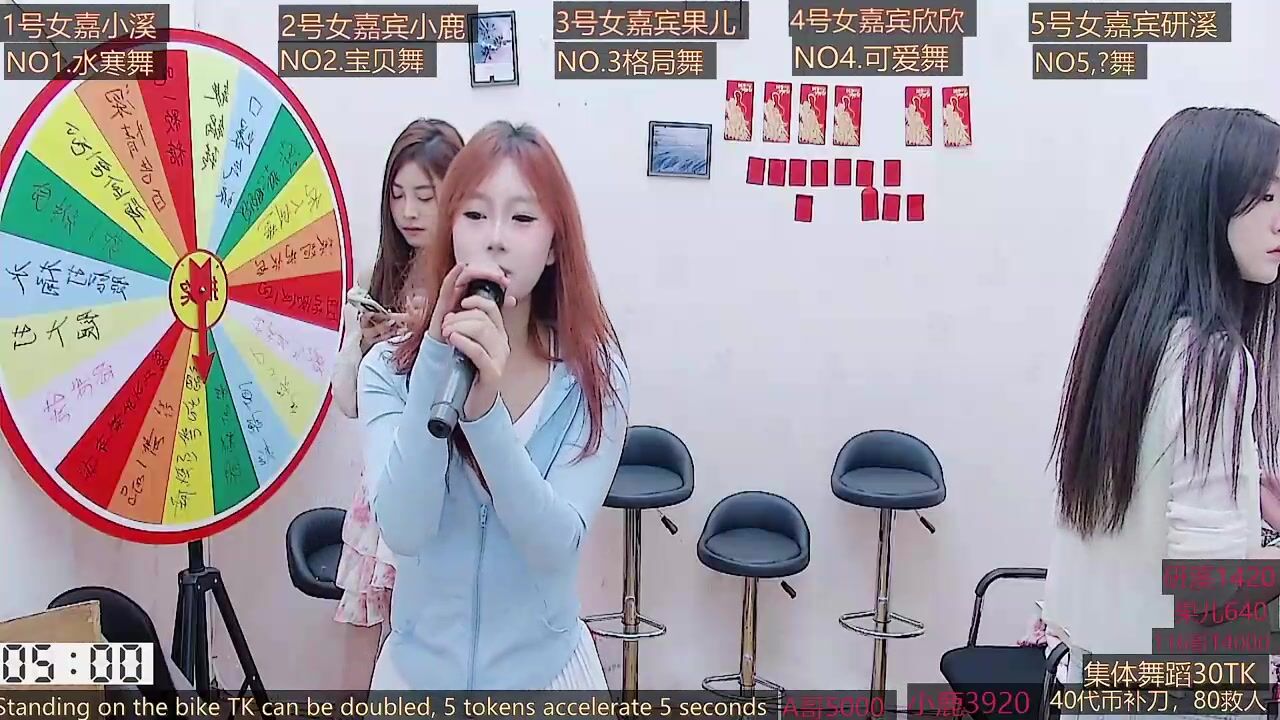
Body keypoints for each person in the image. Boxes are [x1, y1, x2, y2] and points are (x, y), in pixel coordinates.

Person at [358, 120, 629, 690]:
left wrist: (485, 420)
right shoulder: (388, 370)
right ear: (450, 230)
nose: (496, 239)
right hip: (416, 681)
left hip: (547, 681)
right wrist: (436, 361)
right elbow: (404, 529)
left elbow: (555, 547)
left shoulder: (593, 375)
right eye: (475, 215)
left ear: (554, 245)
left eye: (523, 218)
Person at [1037, 106, 1280, 694]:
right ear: (1202, 207)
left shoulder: (1126, 336)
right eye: (1267, 196)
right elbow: (1210, 592)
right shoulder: (1212, 358)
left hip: (1092, 672)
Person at [331, 118, 465, 629]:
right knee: (398, 634)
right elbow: (349, 403)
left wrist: (427, 337)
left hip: (453, 481)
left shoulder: (471, 281)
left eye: (425, 197)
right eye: (397, 195)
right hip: (387, 478)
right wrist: (359, 339)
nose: (408, 211)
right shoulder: (378, 277)